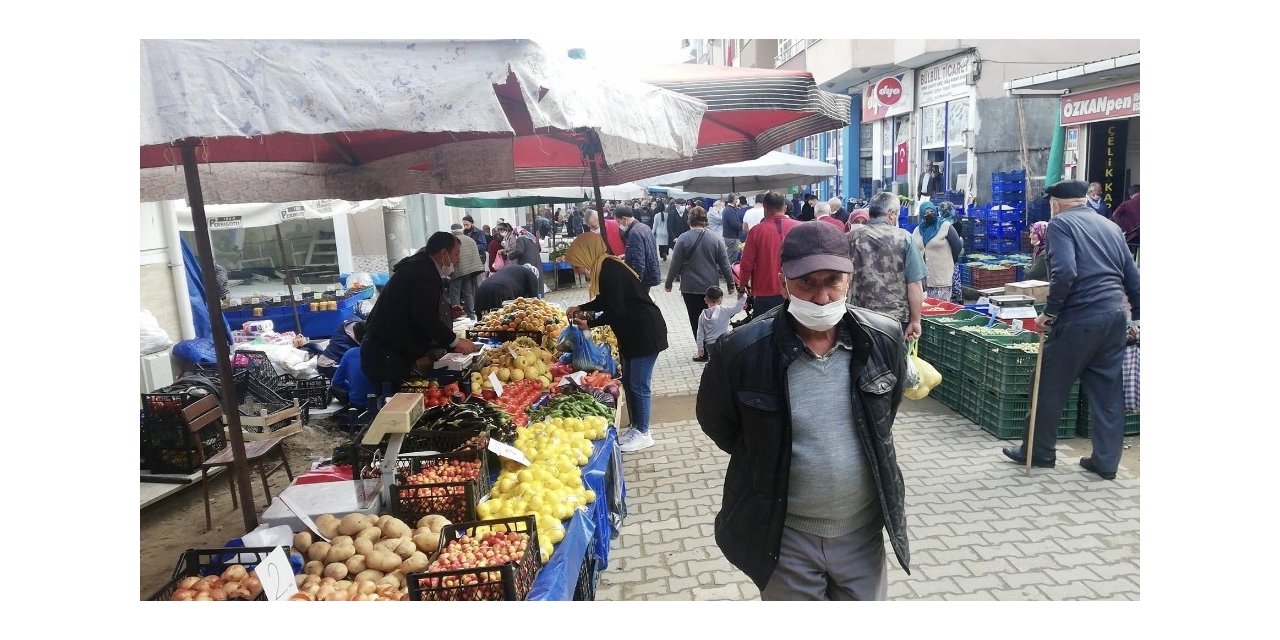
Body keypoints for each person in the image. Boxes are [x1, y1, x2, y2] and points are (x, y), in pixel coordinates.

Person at [696, 221, 911, 601]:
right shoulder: (742, 351)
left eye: (833, 281)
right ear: (783, 284)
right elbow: (719, 423)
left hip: (862, 535)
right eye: (807, 283)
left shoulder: (883, 338)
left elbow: (881, 419)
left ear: (850, 279)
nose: (823, 297)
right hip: (785, 538)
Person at [1001, 179, 1141, 481]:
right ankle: (1106, 462)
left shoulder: (1061, 226)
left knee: (1047, 383)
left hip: (1080, 317)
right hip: (1115, 317)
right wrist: (1138, 319)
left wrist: (1049, 313)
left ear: (1055, 204)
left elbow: (1065, 272)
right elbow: (1134, 277)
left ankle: (1038, 452)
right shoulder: (1110, 227)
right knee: (1107, 394)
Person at [564, 234, 668, 453]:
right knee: (630, 382)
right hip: (633, 333)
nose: (577, 270)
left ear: (586, 253)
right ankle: (637, 426)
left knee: (639, 384)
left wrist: (589, 322)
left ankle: (643, 432)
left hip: (644, 333)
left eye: (576, 263)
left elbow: (616, 310)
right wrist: (581, 309)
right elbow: (606, 301)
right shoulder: (606, 267)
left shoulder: (609, 269)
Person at [361, 232, 478, 392]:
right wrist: (455, 342)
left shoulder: (421, 268)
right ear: (443, 253)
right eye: (456, 254)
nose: (458, 260)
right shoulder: (424, 272)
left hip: (385, 349)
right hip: (385, 353)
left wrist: (447, 313)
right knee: (394, 405)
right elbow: (424, 316)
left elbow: (416, 307)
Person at [845, 192, 925, 342]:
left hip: (858, 317)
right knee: (894, 363)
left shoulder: (850, 238)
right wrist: (915, 321)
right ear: (891, 214)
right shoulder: (905, 238)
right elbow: (914, 284)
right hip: (894, 320)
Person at [665, 207, 735, 338]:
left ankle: (701, 350)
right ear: (705, 221)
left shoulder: (682, 239)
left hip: (690, 287)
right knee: (712, 318)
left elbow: (675, 264)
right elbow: (725, 264)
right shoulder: (716, 239)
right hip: (711, 287)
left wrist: (668, 283)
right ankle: (712, 346)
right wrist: (731, 284)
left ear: (689, 221)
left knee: (695, 319)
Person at [739, 191, 801, 316]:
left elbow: (746, 264)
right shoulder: (799, 228)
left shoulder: (756, 232)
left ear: (765, 209)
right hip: (795, 292)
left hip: (765, 293)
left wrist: (741, 288)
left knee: (765, 332)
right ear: (784, 208)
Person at [911, 201, 963, 301]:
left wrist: (947, 260)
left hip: (941, 277)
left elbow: (957, 246)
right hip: (923, 280)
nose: (930, 214)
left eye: (932, 211)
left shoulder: (945, 226)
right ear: (922, 214)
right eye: (926, 212)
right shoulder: (917, 230)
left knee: (940, 309)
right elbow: (913, 250)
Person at [694, 285, 747, 362]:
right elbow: (737, 308)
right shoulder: (724, 310)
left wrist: (700, 348)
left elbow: (700, 333)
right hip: (724, 342)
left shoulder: (702, 315)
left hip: (710, 345)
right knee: (726, 361)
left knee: (715, 362)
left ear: (705, 300)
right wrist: (743, 296)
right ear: (721, 300)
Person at [614, 206, 662, 291]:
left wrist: (636, 282)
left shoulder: (634, 232)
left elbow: (639, 261)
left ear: (624, 218)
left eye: (618, 222)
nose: (619, 225)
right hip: (650, 273)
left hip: (643, 278)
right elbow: (645, 251)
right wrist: (626, 256)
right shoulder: (644, 227)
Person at [330, 322, 374, 410]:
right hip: (380, 402)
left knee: (333, 388)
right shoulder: (381, 353)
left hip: (357, 403)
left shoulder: (350, 353)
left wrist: (352, 386)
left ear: (355, 337)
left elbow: (336, 382)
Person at [447, 224, 486, 320]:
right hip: (469, 271)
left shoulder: (452, 241)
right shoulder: (470, 239)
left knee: (455, 292)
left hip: (457, 271)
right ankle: (471, 315)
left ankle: (456, 315)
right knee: (468, 292)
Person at [475, 264, 540, 318]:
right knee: (503, 322)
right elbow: (534, 302)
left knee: (482, 324)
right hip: (501, 290)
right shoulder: (531, 275)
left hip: (482, 288)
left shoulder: (512, 270)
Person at [1111, 185, 1140, 260]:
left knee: (1130, 256)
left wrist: (1123, 228)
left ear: (1130, 195)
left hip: (1132, 235)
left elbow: (1115, 215)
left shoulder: (1126, 204)